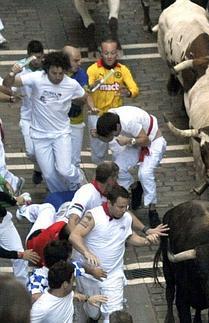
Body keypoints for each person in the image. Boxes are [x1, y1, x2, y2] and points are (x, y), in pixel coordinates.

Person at [3, 51, 94, 193]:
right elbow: (7, 84)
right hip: (39, 136)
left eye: (60, 73)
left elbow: (83, 96)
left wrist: (85, 105)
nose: (57, 77)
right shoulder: (36, 78)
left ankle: (78, 177)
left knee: (64, 169)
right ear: (47, 70)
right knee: (49, 175)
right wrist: (12, 73)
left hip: (61, 134)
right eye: (54, 73)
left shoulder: (71, 84)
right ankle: (61, 195)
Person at [70, 186, 160, 323]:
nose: (124, 210)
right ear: (110, 203)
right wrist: (86, 252)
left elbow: (129, 237)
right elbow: (74, 236)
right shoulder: (92, 216)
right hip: (89, 275)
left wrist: (147, 241)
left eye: (126, 206)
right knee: (93, 313)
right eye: (120, 207)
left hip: (113, 275)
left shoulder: (126, 218)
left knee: (114, 315)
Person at [95, 106, 166, 226]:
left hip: (153, 141)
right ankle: (135, 187)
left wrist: (129, 141)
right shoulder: (109, 119)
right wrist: (98, 135)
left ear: (117, 127)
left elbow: (146, 141)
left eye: (112, 134)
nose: (111, 137)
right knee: (117, 168)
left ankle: (152, 210)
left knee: (144, 173)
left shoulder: (128, 122)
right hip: (136, 141)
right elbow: (108, 138)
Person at [87, 38, 139, 165]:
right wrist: (94, 85)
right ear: (101, 53)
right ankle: (100, 176)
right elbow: (87, 89)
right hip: (97, 116)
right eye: (106, 53)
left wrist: (127, 92)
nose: (109, 56)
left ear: (117, 53)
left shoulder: (123, 70)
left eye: (112, 53)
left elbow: (135, 89)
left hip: (115, 118)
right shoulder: (92, 70)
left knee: (119, 151)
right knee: (98, 154)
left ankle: (118, 176)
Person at [30, 260, 107, 323]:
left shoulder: (65, 294)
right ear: (65, 284)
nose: (73, 282)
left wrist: (88, 298)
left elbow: (75, 296)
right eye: (72, 279)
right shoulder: (41, 308)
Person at [13, 40, 45, 185]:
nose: (37, 61)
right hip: (27, 117)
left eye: (40, 57)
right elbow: (10, 87)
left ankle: (44, 172)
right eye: (34, 58)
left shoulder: (48, 69)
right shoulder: (20, 68)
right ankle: (39, 168)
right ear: (28, 56)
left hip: (45, 118)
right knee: (31, 151)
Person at [63, 45, 88, 168]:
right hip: (58, 124)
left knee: (75, 160)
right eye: (76, 60)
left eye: (80, 59)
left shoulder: (81, 74)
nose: (80, 63)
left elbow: (84, 97)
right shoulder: (54, 74)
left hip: (76, 121)